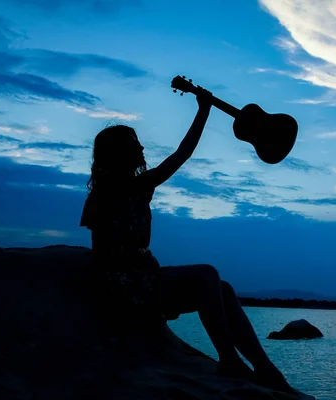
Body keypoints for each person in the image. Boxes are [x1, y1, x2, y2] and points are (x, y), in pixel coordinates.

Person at [79, 89, 296, 394]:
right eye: (134, 145)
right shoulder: (108, 195)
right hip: (127, 290)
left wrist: (204, 109)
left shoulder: (139, 188)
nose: (142, 148)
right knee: (206, 274)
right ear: (119, 155)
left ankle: (264, 367)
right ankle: (229, 359)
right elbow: (101, 254)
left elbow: (181, 155)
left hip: (144, 280)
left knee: (222, 288)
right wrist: (203, 109)